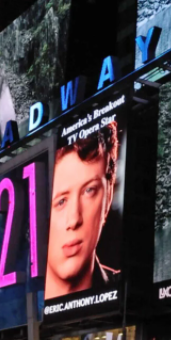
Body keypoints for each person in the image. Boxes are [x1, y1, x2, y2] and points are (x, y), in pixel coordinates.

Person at [45, 121, 120, 299]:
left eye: (89, 191)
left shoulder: (126, 292)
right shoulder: (14, 308)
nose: (74, 219)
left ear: (108, 197)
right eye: (61, 201)